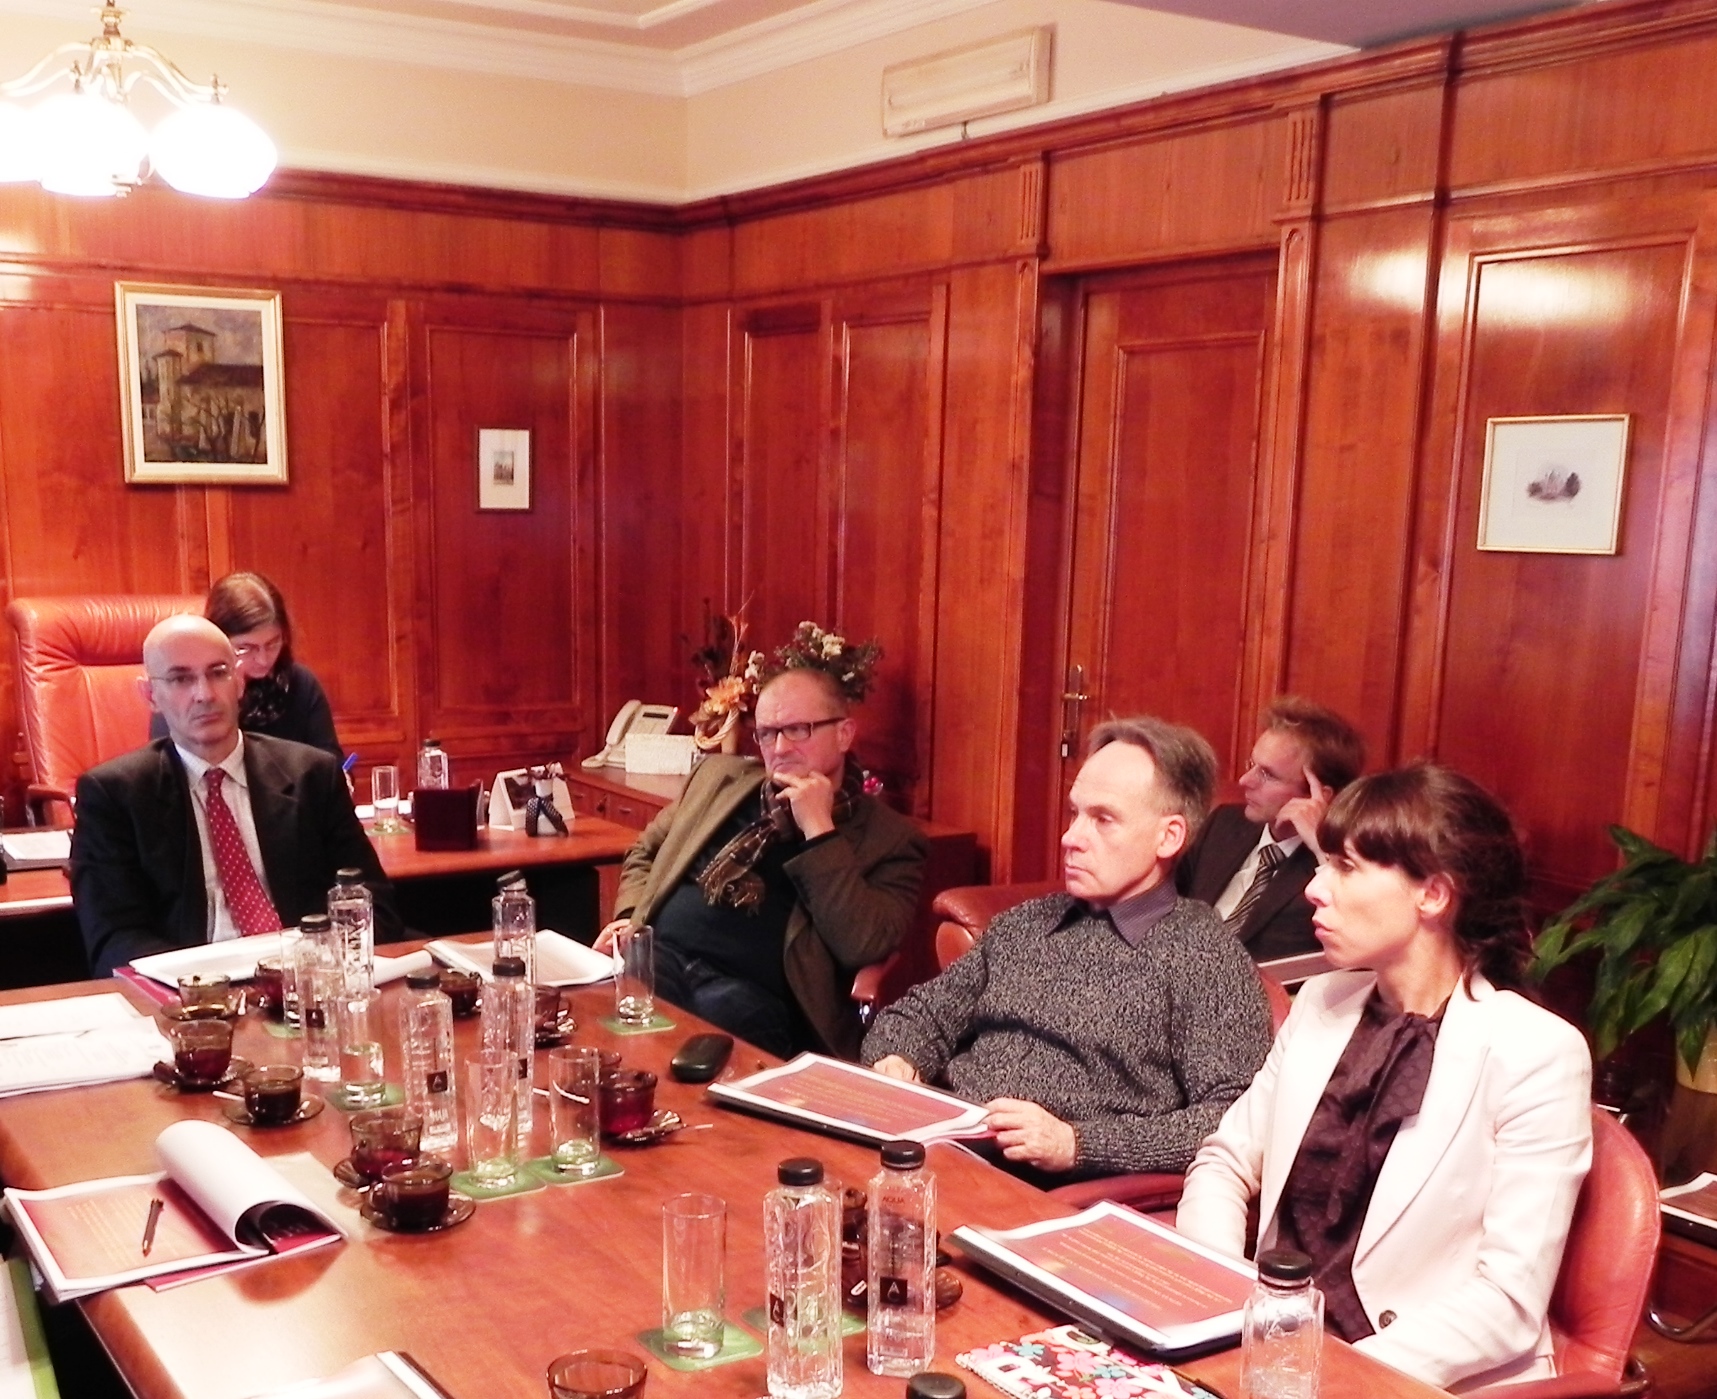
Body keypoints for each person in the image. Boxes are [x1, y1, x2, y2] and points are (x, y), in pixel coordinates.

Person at [1176, 764, 1592, 1393]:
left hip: (1410, 1376)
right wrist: (1228, 1305)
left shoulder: (1538, 1052)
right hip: (1266, 1354)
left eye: (1345, 867)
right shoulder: (1322, 1002)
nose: (1315, 888)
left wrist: (1326, 1373)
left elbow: (1506, 1304)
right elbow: (1224, 1163)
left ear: (1433, 894)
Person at [860, 717, 1272, 1184]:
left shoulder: (1204, 957)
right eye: (1075, 814)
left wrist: (1076, 1144)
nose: (1070, 838)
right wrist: (898, 1059)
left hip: (1042, 1188)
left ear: (1169, 836)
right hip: (934, 1146)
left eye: (1103, 819)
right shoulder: (1027, 923)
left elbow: (1233, 1119)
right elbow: (920, 1016)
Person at [596, 666, 928, 1061]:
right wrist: (630, 919)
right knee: (587, 1028)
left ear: (844, 734)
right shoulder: (718, 778)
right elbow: (645, 851)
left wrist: (820, 830)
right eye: (767, 733)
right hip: (660, 959)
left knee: (693, 1060)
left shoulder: (891, 840)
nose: (780, 748)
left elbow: (864, 944)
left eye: (798, 730)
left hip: (749, 993)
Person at [72, 615, 400, 976]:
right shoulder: (113, 795)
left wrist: (315, 965)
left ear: (240, 682)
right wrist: (206, 983)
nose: (205, 694)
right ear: (151, 695)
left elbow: (374, 904)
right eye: (181, 679)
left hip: (307, 978)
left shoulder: (312, 775)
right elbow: (114, 941)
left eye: (218, 673)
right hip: (194, 992)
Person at [1177, 696, 1365, 961]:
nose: (1245, 781)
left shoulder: (1341, 866)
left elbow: (1358, 939)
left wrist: (1322, 846)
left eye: (1268, 775)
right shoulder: (1224, 825)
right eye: (1252, 765)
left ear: (1318, 795)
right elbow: (1163, 900)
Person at [149, 571, 342, 762]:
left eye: (272, 644)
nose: (263, 660)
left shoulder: (300, 682)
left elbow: (331, 762)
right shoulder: (190, 692)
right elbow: (167, 765)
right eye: (246, 648)